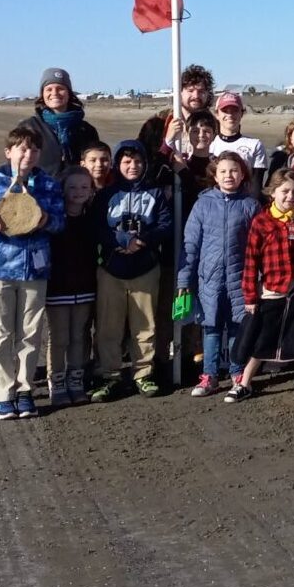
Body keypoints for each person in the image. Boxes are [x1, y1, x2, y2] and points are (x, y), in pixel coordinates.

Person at [0, 124, 66, 421]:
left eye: (34, 149)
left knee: (30, 332)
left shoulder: (47, 184)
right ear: (9, 152)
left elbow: (60, 223)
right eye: (23, 148)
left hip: (35, 269)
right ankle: (3, 393)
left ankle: (25, 390)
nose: (29, 154)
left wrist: (44, 220)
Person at [226, 168, 294, 406]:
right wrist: (250, 297)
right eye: (285, 191)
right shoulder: (261, 222)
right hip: (273, 289)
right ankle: (244, 383)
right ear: (272, 192)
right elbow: (251, 262)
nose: (290, 197)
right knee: (263, 338)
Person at [89, 142, 173, 401]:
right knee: (108, 326)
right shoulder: (106, 195)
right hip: (112, 268)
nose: (132, 166)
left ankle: (143, 374)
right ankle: (109, 375)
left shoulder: (155, 194)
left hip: (145, 268)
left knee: (145, 324)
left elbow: (165, 224)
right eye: (126, 162)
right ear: (117, 165)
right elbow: (97, 227)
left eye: (137, 161)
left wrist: (142, 241)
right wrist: (121, 241)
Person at [179, 151, 259, 397]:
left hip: (241, 278)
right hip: (209, 278)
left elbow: (259, 245)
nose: (228, 175)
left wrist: (259, 277)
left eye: (234, 170)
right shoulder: (203, 203)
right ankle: (209, 376)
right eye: (223, 171)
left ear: (242, 174)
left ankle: (237, 373)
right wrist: (184, 279)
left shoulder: (250, 205)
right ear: (215, 175)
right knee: (211, 327)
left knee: (237, 327)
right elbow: (190, 243)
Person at [46, 166, 99, 407]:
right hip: (58, 288)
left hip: (85, 286)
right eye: (73, 187)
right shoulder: (54, 221)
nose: (78, 192)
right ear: (63, 189)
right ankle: (56, 382)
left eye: (84, 187)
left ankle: (75, 380)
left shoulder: (92, 219)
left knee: (80, 335)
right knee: (59, 337)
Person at [138, 63, 215, 183]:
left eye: (201, 91)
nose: (196, 95)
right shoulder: (158, 122)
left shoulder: (214, 124)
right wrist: (167, 141)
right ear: (180, 92)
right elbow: (141, 159)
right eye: (190, 90)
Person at [20, 68, 101, 176]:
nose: (54, 93)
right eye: (49, 89)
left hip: (76, 190)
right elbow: (17, 163)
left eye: (60, 88)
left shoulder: (87, 130)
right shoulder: (28, 127)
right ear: (42, 94)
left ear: (69, 93)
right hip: (40, 190)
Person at [210, 92, 268, 195]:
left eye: (234, 111)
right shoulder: (210, 145)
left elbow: (256, 185)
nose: (230, 115)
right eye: (225, 111)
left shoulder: (255, 145)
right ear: (217, 114)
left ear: (241, 113)